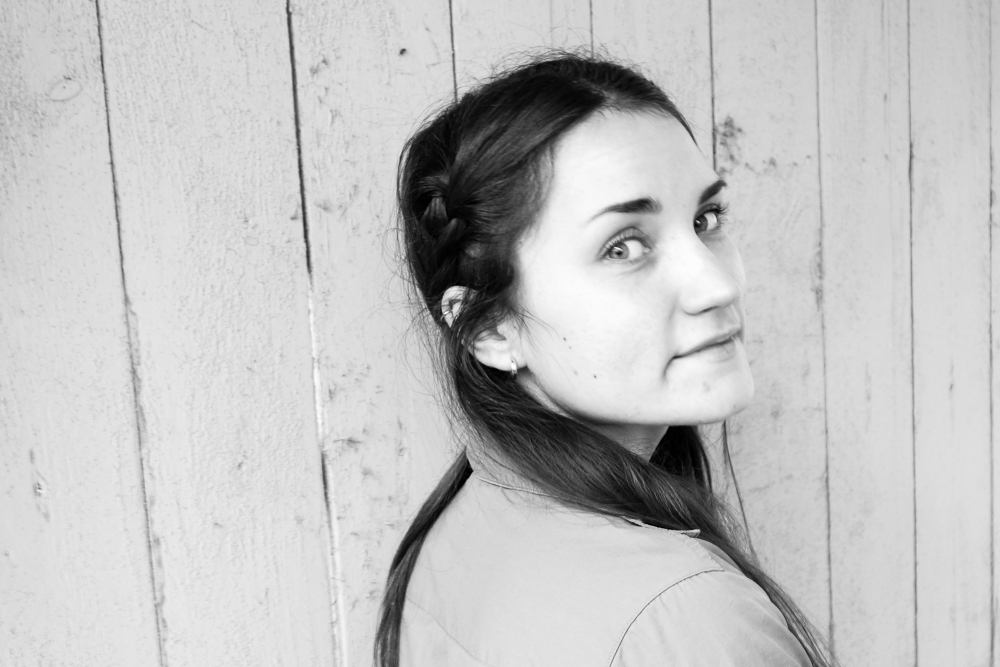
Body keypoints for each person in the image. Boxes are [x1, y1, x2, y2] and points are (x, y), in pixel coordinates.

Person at [375, 52, 836, 667]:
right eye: (622, 247)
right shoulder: (685, 615)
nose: (720, 285)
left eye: (706, 219)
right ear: (489, 328)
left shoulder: (458, 532)